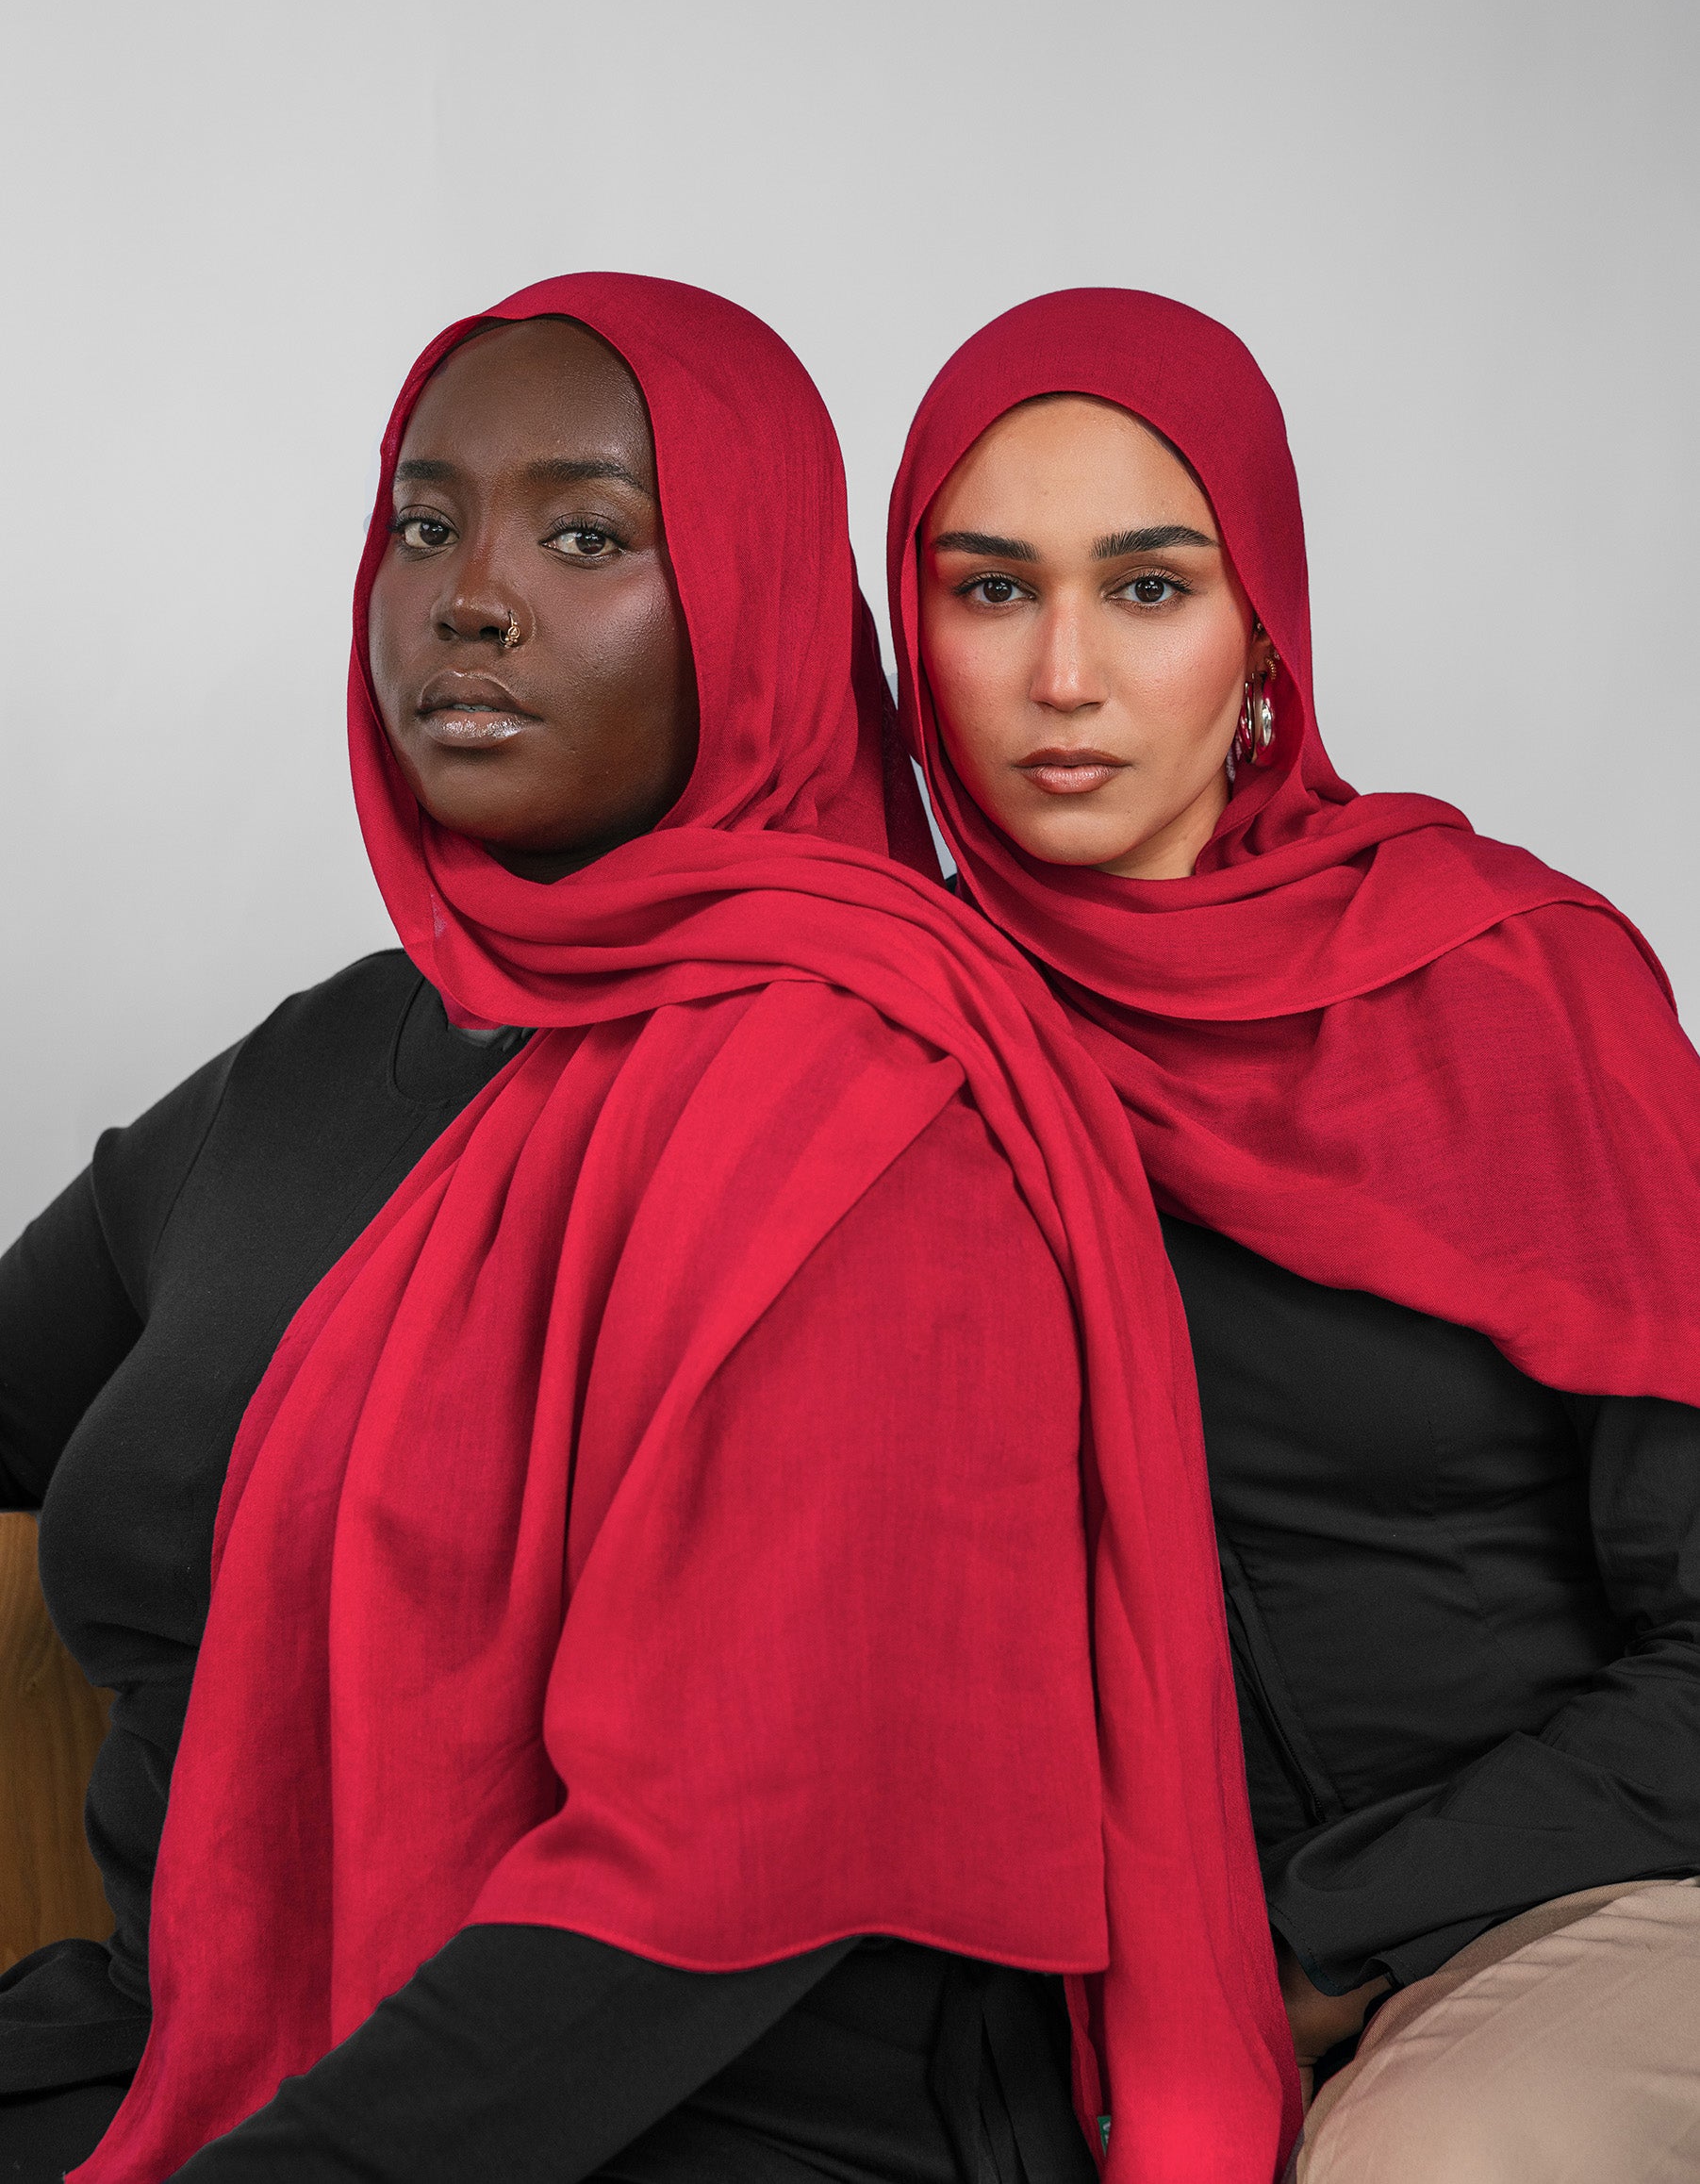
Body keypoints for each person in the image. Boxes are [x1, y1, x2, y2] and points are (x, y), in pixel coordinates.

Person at [0, 276, 1297, 2184]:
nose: (470, 598)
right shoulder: (321, 1063)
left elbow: (718, 1876)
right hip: (192, 2044)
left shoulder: (879, 1109)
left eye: (587, 535)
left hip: (715, 2124)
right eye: (423, 525)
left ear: (753, 607)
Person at [886, 287, 1700, 2181]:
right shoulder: (890, 1037)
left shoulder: (1513, 983)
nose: (1063, 674)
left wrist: (1307, 1939)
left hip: (1589, 1891)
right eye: (991, 589)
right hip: (1092, 1980)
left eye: (1146, 587)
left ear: (1260, 626)